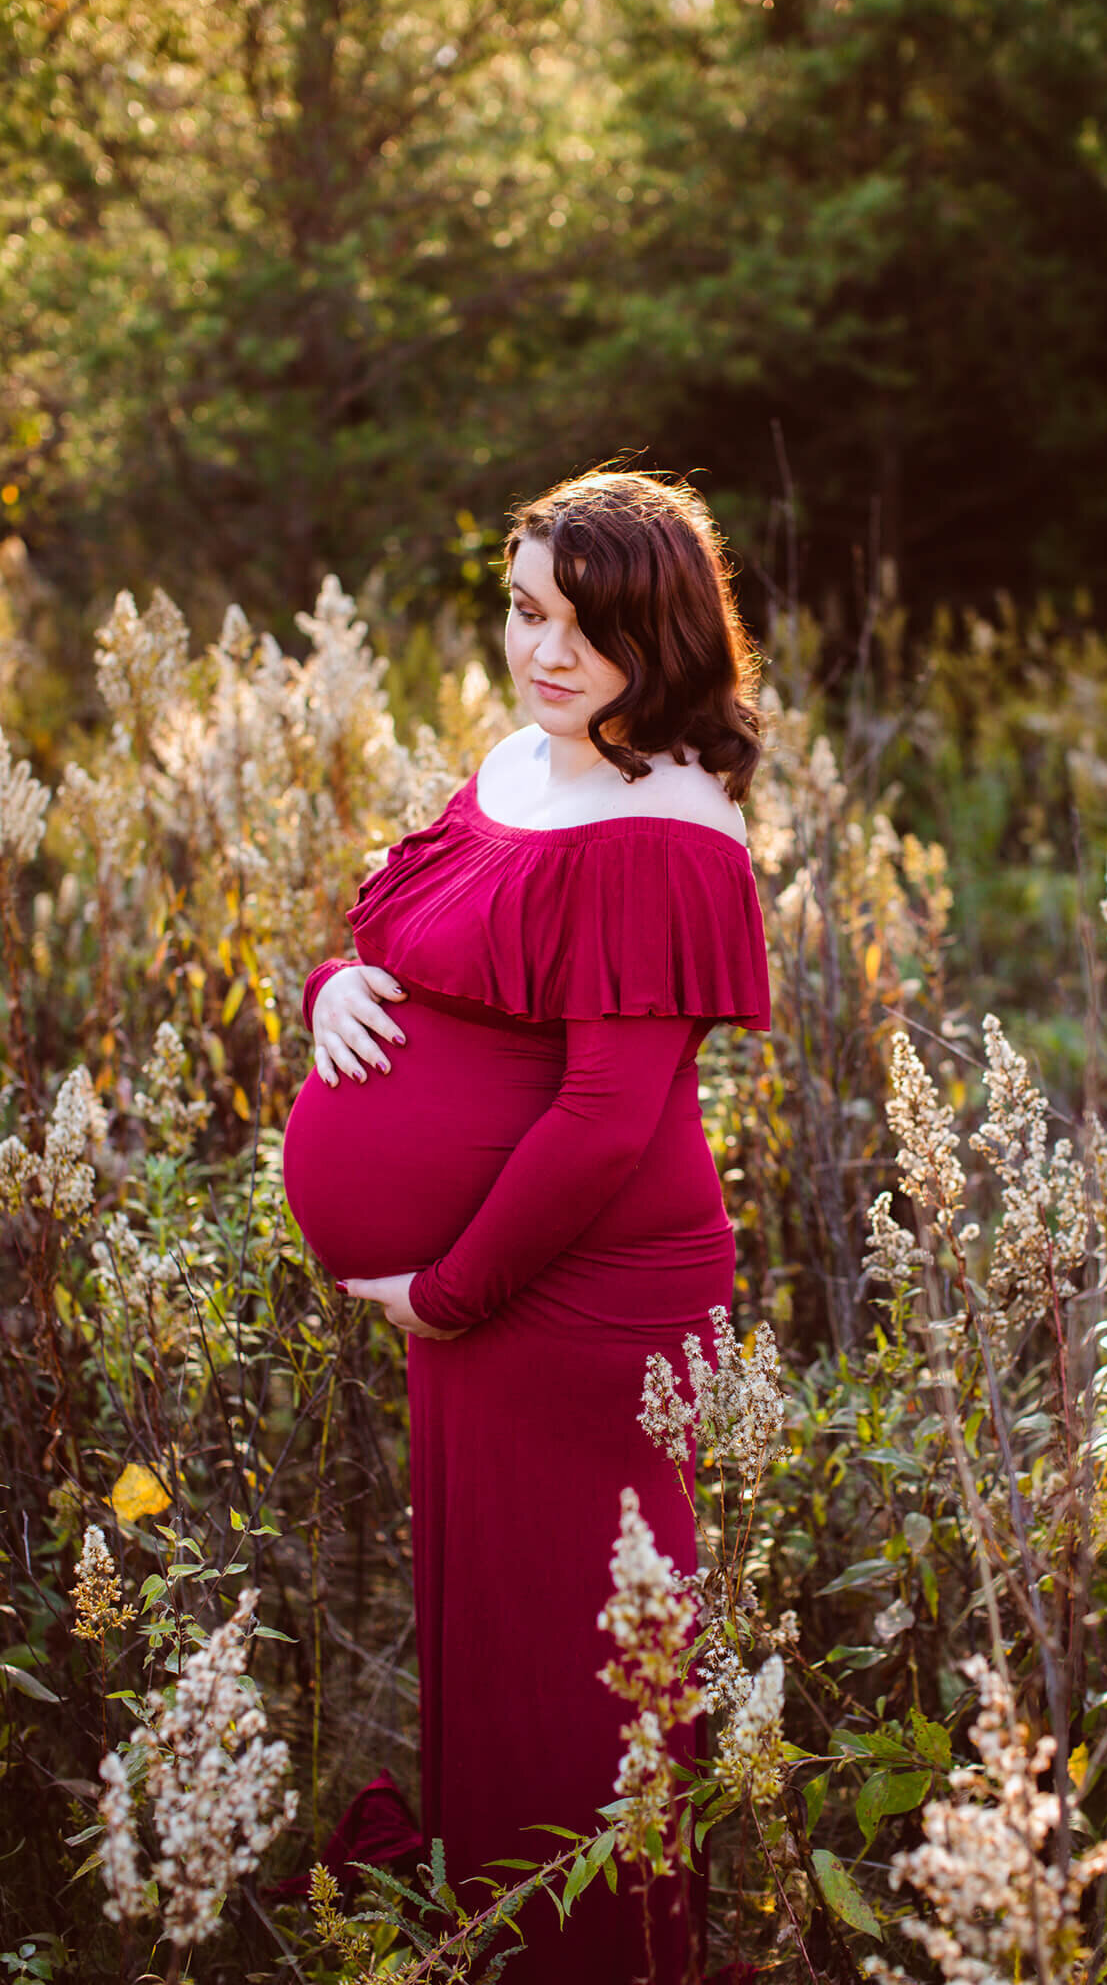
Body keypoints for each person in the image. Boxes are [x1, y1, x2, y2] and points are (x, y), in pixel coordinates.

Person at [280, 466, 771, 1983]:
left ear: (666, 636)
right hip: (479, 1298)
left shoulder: (666, 826)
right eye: (525, 613)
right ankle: (499, 1938)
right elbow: (404, 941)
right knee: (495, 1637)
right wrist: (335, 988)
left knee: (588, 1664)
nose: (544, 654)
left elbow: (605, 1118)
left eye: (586, 626)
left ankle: (599, 1957)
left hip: (574, 1297)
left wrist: (447, 1290)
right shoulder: (518, 764)